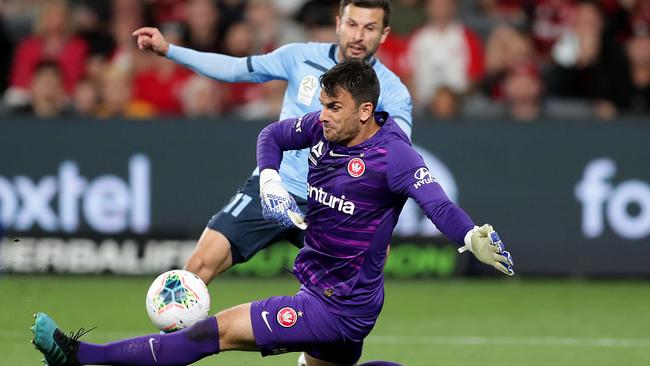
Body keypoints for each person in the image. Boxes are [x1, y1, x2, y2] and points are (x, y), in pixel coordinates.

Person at [31, 59, 513, 366]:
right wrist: (269, 177)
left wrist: (469, 237)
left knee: (207, 335)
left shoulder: (395, 157)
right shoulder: (325, 129)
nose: (322, 115)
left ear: (365, 111)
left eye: (334, 107)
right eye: (322, 104)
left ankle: (77, 355)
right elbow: (274, 136)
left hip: (333, 307)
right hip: (346, 299)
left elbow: (437, 203)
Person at [131, 0, 413, 285]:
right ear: (339, 24)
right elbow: (234, 68)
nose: (358, 36)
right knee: (197, 267)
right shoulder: (300, 57)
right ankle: (172, 330)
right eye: (352, 25)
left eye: (369, 28)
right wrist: (170, 50)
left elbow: (397, 159)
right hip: (275, 187)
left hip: (334, 204)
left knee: (347, 292)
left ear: (384, 34)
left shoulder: (391, 92)